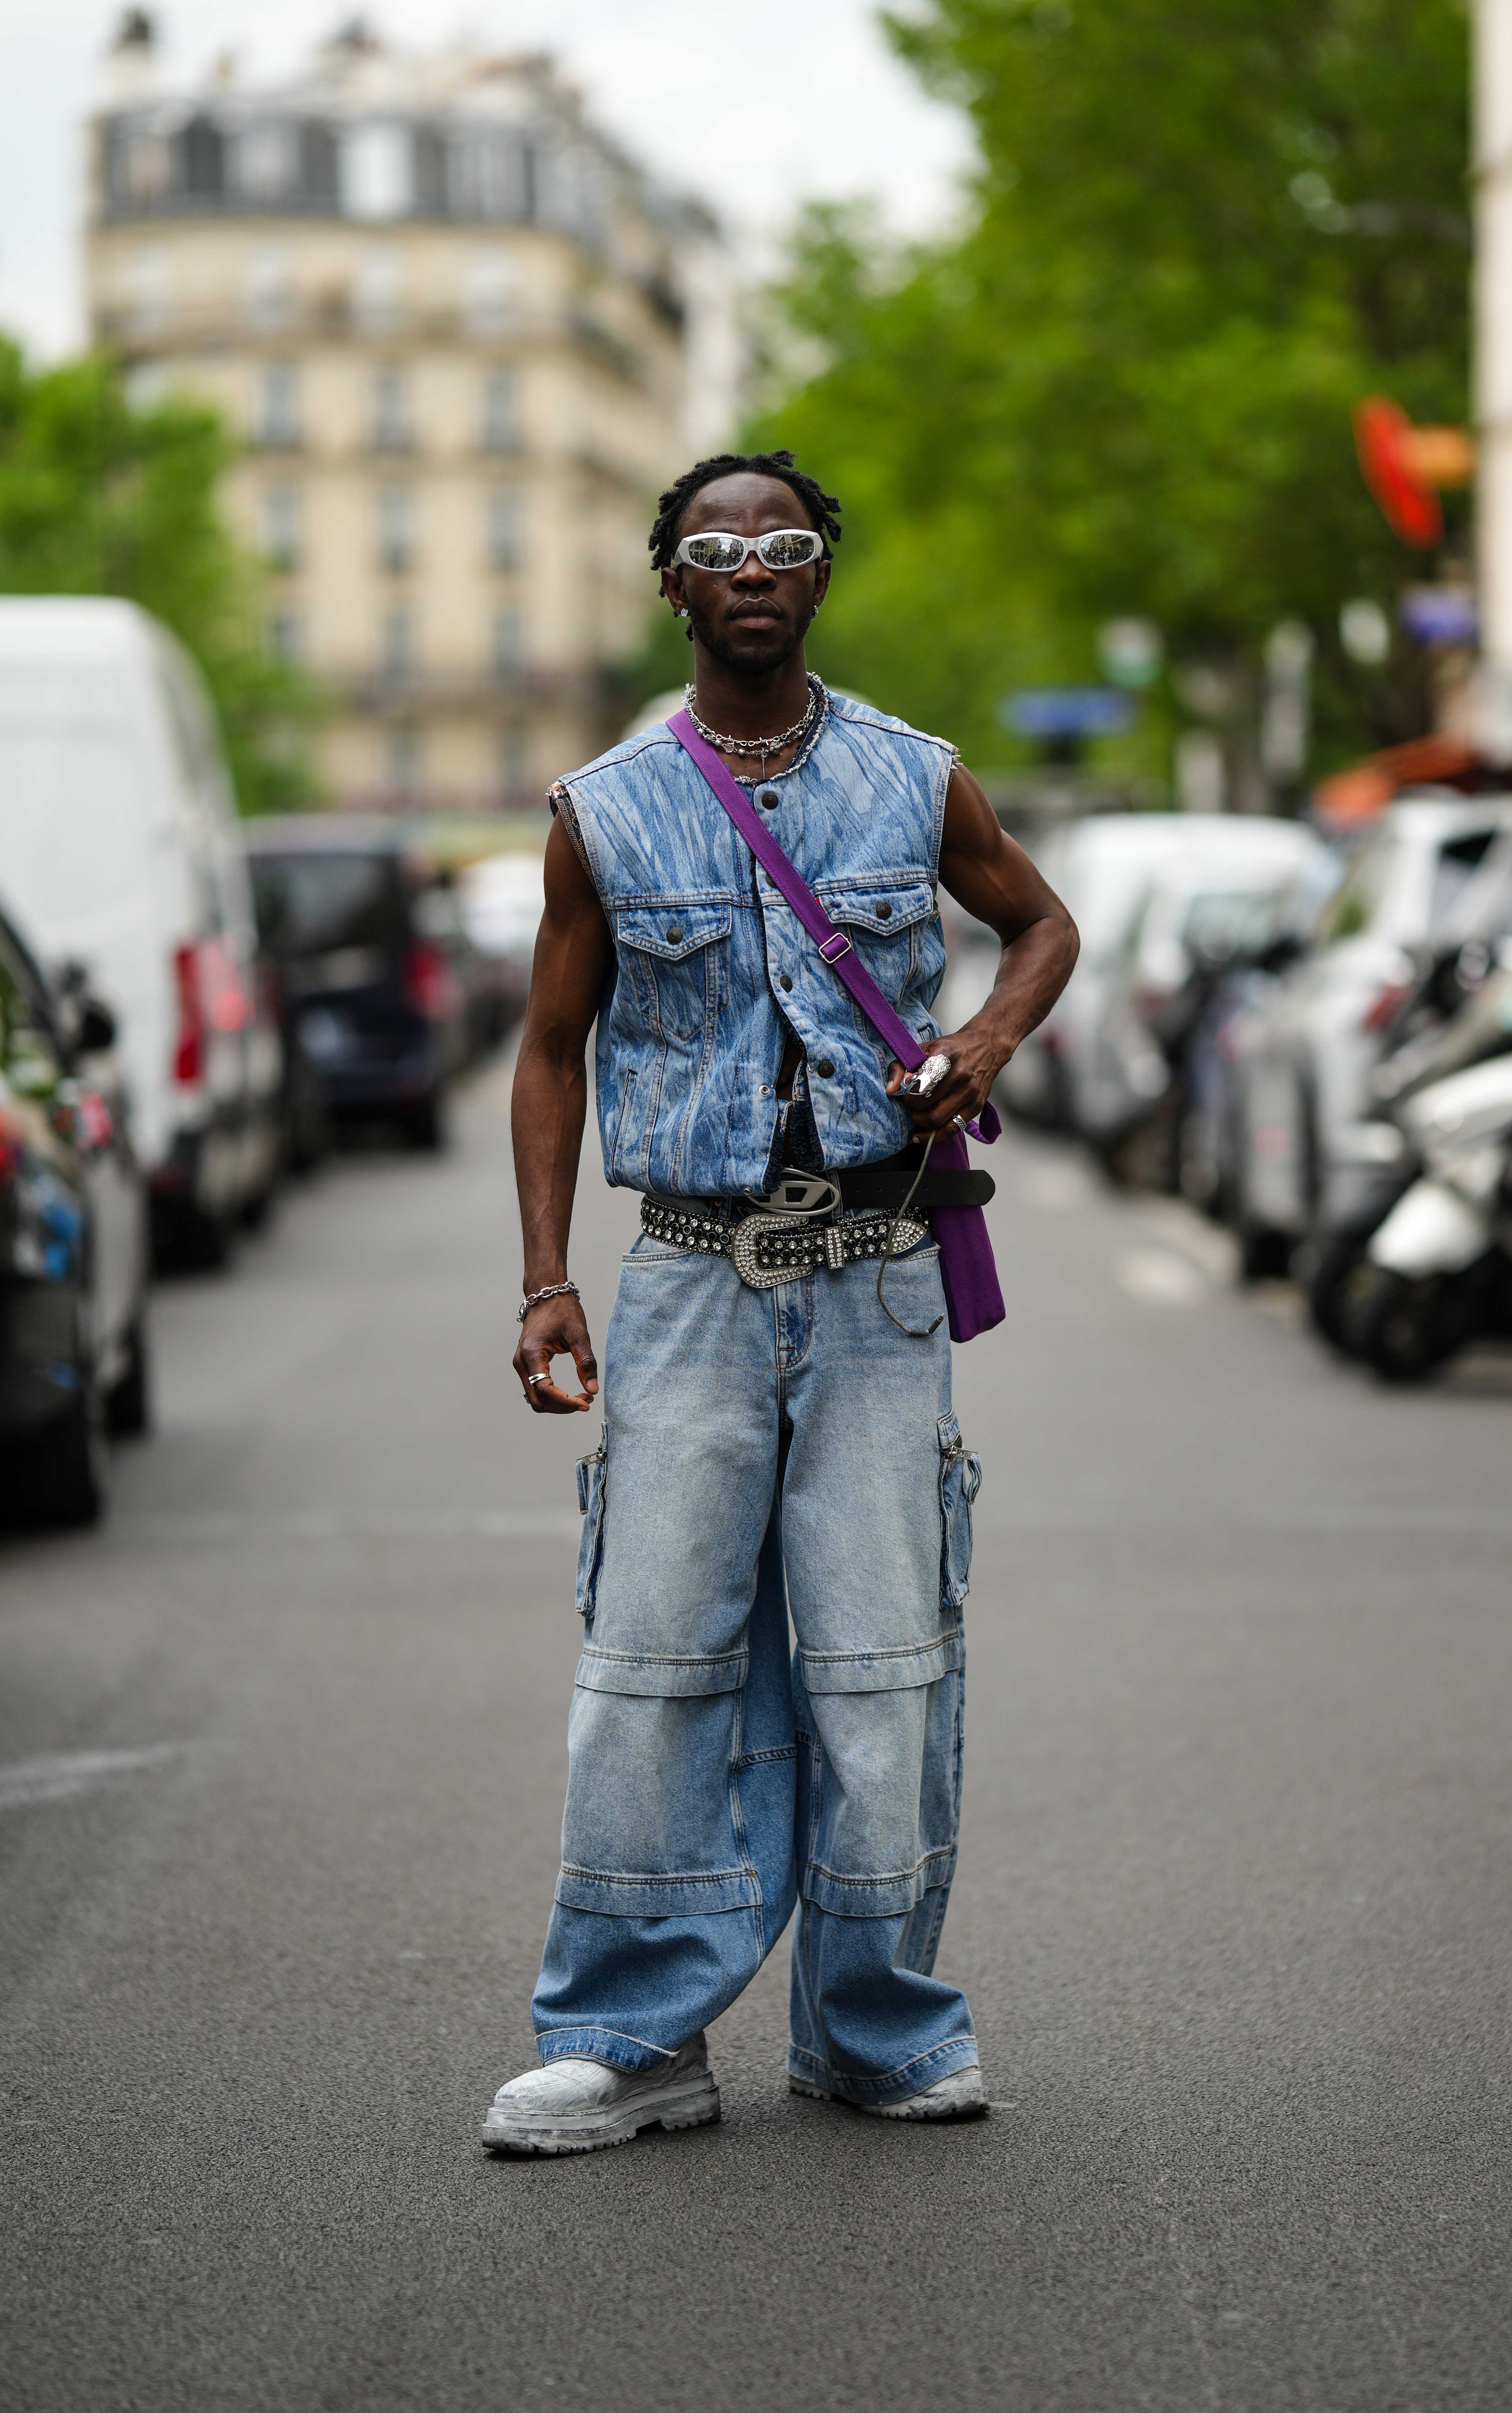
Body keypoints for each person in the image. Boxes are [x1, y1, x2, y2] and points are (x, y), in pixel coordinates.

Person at [483, 450, 1078, 2156]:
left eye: (787, 544)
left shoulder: (916, 779)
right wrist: (545, 1280)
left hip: (883, 1274)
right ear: (671, 582)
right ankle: (628, 2039)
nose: (753, 567)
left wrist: (984, 1040)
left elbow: (1041, 927)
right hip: (689, 1277)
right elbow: (549, 1048)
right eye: (716, 547)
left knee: (887, 1662)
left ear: (822, 576)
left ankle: (879, 2027)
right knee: (655, 1657)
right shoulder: (604, 809)